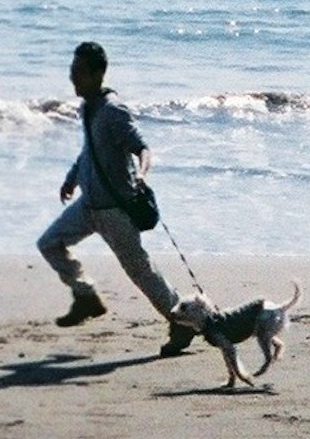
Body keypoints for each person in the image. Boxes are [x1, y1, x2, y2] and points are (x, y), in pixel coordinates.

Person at [37, 42, 194, 356]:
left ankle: (182, 320)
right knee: (49, 243)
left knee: (140, 271)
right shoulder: (88, 108)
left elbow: (143, 148)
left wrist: (142, 174)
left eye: (79, 73)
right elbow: (89, 150)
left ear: (97, 74)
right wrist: (71, 177)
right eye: (72, 72)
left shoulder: (113, 111)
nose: (73, 79)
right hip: (87, 205)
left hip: (114, 211)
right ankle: (86, 296)